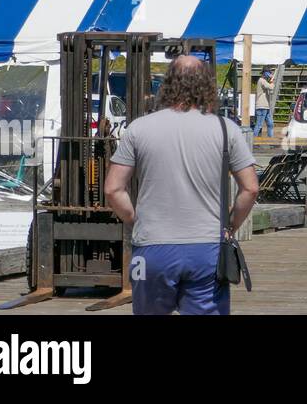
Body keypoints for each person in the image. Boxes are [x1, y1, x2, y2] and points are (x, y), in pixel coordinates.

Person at [105, 55, 258, 315]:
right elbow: (251, 188)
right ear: (206, 85)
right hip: (207, 249)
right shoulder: (225, 129)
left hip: (152, 248)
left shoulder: (138, 129)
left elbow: (112, 189)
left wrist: (135, 220)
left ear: (167, 84)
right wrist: (230, 226)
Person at [252, 67, 276, 139]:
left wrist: (271, 81)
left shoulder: (264, 81)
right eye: (268, 73)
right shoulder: (262, 80)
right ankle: (253, 140)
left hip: (266, 106)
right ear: (265, 73)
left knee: (270, 124)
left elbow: (270, 90)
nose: (270, 74)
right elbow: (270, 87)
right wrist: (272, 81)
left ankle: (270, 138)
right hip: (261, 106)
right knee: (259, 124)